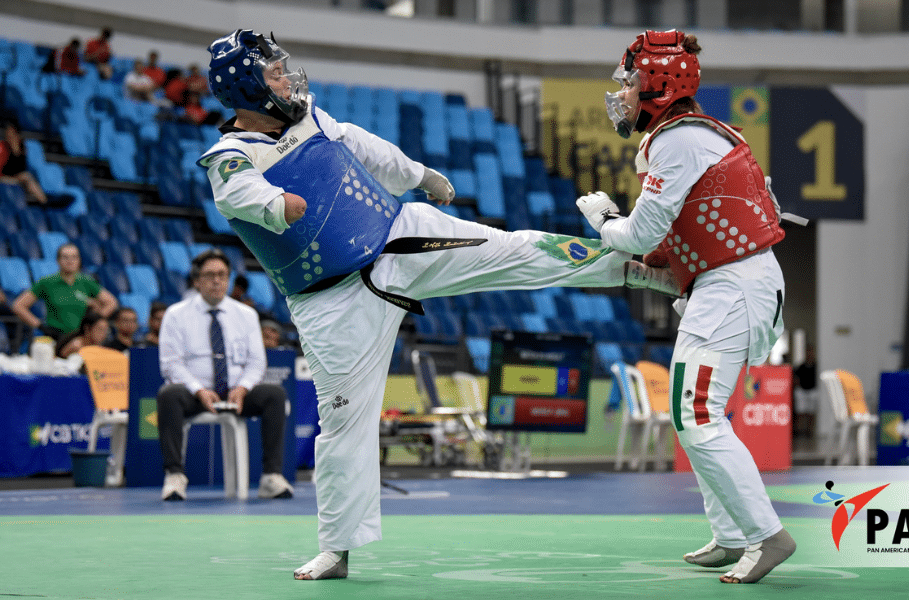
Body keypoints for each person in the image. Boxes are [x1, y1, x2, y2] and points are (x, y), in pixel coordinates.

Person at [198, 29, 676, 581]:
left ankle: (637, 270)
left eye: (283, 68)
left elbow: (361, 144)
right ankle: (337, 548)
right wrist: (276, 203)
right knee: (344, 423)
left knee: (518, 249)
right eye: (274, 72)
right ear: (246, 88)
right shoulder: (227, 156)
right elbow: (239, 195)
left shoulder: (312, 116)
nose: (287, 77)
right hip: (332, 303)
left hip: (403, 239)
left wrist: (420, 176)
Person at [579, 30, 796, 584]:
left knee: (696, 414)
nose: (621, 94)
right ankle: (730, 535)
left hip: (732, 288)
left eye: (629, 82)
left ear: (656, 83)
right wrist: (643, 268)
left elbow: (640, 230)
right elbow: (675, 249)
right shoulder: (695, 138)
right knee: (700, 414)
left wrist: (605, 221)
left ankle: (767, 536)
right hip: (731, 285)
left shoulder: (677, 140)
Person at [157, 248, 293, 501]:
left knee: (275, 395)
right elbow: (170, 364)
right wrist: (199, 389)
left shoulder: (247, 315)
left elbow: (256, 363)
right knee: (168, 394)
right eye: (209, 275)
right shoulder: (176, 315)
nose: (217, 280)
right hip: (194, 393)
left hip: (235, 392)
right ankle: (175, 476)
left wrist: (242, 388)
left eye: (222, 274)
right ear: (197, 281)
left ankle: (271, 476)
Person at [12, 243, 118, 339]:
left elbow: (111, 302)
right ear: (58, 261)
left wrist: (94, 321)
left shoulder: (86, 282)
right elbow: (18, 306)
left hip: (80, 338)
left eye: (74, 257)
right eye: (65, 257)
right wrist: (41, 326)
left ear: (79, 260)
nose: (70, 261)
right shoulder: (47, 282)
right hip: (55, 336)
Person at [1, 120, 48, 205]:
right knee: (26, 177)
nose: (10, 136)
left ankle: (45, 203)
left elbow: (20, 169)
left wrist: (16, 151)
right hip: (2, 178)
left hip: (15, 179)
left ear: (17, 135)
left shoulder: (22, 149)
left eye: (12, 134)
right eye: (8, 134)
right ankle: (45, 203)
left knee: (27, 177)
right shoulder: (2, 148)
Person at [793, 345, 818, 439]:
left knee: (811, 412)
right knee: (800, 412)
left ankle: (809, 431)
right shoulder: (801, 366)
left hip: (813, 391)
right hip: (802, 391)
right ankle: (799, 430)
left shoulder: (816, 366)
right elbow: (796, 378)